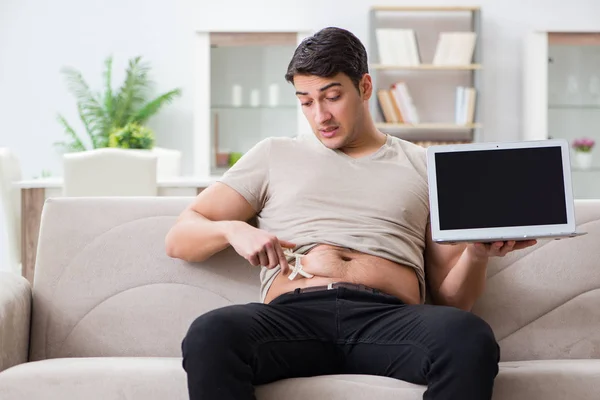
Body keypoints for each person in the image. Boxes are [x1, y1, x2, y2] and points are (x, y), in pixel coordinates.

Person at [165, 26, 537, 400]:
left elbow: (452, 301)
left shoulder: (424, 166)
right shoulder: (272, 155)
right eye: (306, 101)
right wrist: (232, 230)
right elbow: (179, 238)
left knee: (468, 337)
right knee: (209, 333)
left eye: (332, 97)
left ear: (364, 87)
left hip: (389, 320)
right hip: (292, 318)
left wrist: (476, 253)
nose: (320, 115)